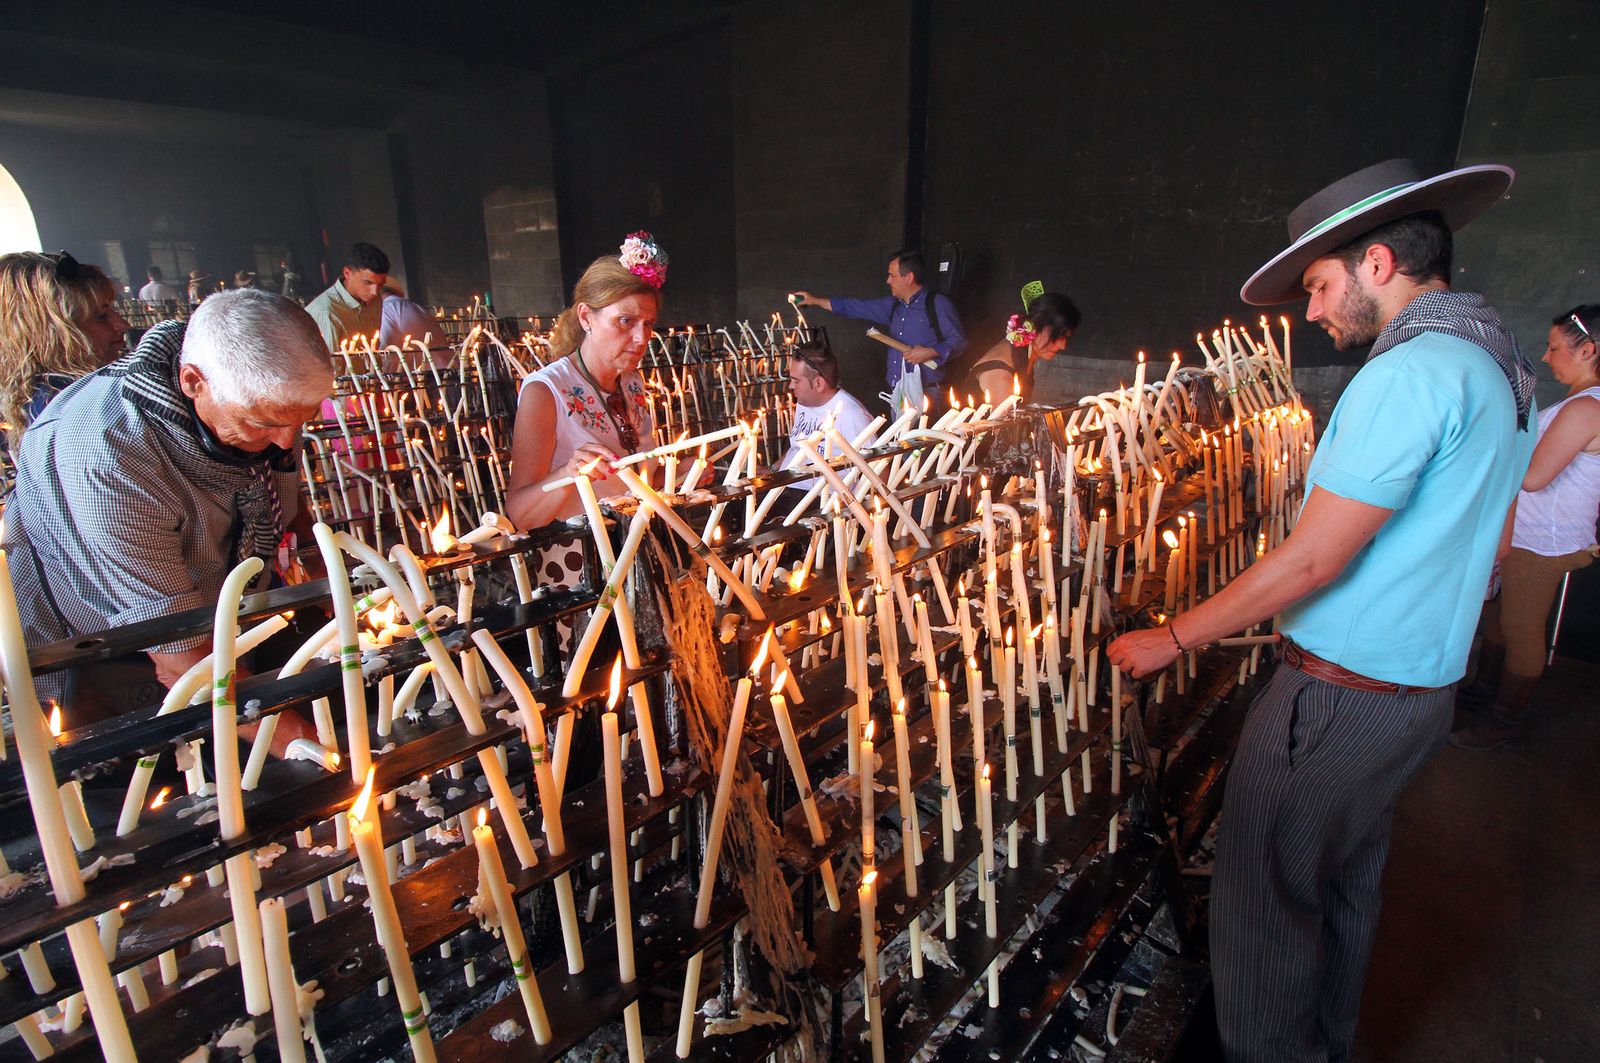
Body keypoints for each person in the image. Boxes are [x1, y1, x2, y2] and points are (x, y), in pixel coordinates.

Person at [1107, 159, 1537, 1063]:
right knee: (1343, 883)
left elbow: (1314, 556)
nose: (1311, 313)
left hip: (1337, 700)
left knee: (1262, 903)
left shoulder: (1410, 374)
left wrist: (1172, 636)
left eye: (1317, 286)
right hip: (1418, 698)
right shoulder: (1499, 364)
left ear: (1376, 263)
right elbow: (1495, 546)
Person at [3, 288, 333, 738]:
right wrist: (308, 748)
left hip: (217, 629)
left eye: (302, 420)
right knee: (164, 788)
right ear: (193, 382)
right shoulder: (108, 456)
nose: (285, 441)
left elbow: (285, 497)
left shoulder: (252, 398)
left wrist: (322, 570)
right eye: (265, 423)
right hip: (116, 658)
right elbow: (181, 662)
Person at [1451, 303, 1600, 750]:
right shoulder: (1580, 402)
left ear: (1588, 349)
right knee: (1499, 621)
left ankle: (1505, 718)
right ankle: (1483, 691)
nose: (1548, 356)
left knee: (1520, 628)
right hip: (1526, 535)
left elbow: (1534, 477)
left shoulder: (1587, 409)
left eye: (1555, 348)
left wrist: (1489, 444)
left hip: (1546, 540)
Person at [505, 233, 662, 584]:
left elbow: (632, 480)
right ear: (587, 317)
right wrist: (567, 474)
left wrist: (683, 471)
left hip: (639, 555)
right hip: (579, 568)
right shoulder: (545, 391)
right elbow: (520, 513)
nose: (641, 339)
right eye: (625, 321)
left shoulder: (632, 382)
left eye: (647, 324)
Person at [793, 247, 966, 407]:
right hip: (898, 394)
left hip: (929, 393)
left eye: (892, 276)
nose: (888, 280)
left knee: (927, 440)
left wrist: (931, 351)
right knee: (901, 441)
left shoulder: (937, 304)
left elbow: (959, 342)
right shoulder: (893, 306)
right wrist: (814, 300)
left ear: (909, 277)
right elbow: (854, 307)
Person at [0, 250, 130, 452]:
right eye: (102, 316)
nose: (122, 324)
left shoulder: (43, 398)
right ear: (51, 334)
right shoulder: (73, 411)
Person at [778, 338, 875, 491]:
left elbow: (876, 466)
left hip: (814, 497)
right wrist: (773, 470)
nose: (790, 386)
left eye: (796, 381)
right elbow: (795, 448)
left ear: (818, 383)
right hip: (782, 485)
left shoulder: (851, 414)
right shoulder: (804, 402)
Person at [966, 288, 1080, 404]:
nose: (1063, 346)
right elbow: (1005, 421)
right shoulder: (1000, 373)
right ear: (1036, 326)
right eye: (1059, 336)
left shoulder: (1023, 352)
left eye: (1066, 338)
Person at [304, 242, 390, 350]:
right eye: (368, 283)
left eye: (381, 284)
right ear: (347, 273)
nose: (375, 292)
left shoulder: (376, 300)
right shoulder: (326, 311)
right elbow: (330, 365)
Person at [380, 285, 445, 350]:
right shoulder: (417, 307)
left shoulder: (385, 308)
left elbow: (384, 348)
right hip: (445, 357)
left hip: (418, 359)